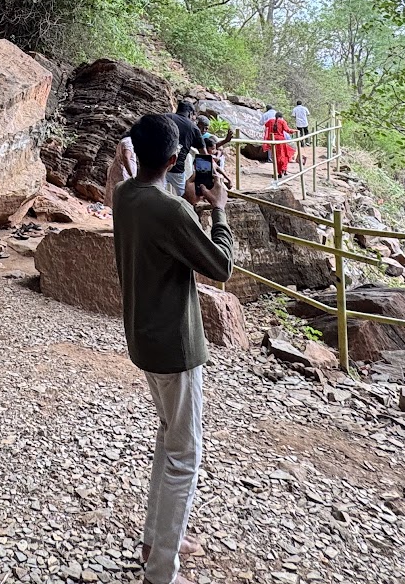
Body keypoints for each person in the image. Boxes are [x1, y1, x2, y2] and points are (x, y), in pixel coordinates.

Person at [113, 114, 234, 584]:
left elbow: (166, 235)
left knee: (169, 438)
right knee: (186, 454)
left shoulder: (127, 195)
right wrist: (218, 209)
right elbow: (220, 266)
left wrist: (187, 207)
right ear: (174, 158)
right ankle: (161, 571)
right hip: (175, 346)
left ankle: (159, 537)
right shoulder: (170, 211)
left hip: (143, 338)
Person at [104, 134, 138, 206]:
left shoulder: (125, 140)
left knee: (114, 195)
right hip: (123, 173)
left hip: (118, 170)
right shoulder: (129, 142)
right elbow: (126, 157)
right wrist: (131, 174)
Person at [262, 111, 294, 176]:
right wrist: (294, 131)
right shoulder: (282, 122)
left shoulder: (270, 121)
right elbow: (287, 130)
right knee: (284, 155)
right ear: (281, 117)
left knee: (276, 156)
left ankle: (279, 172)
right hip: (281, 141)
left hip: (273, 140)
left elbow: (266, 125)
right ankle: (283, 169)